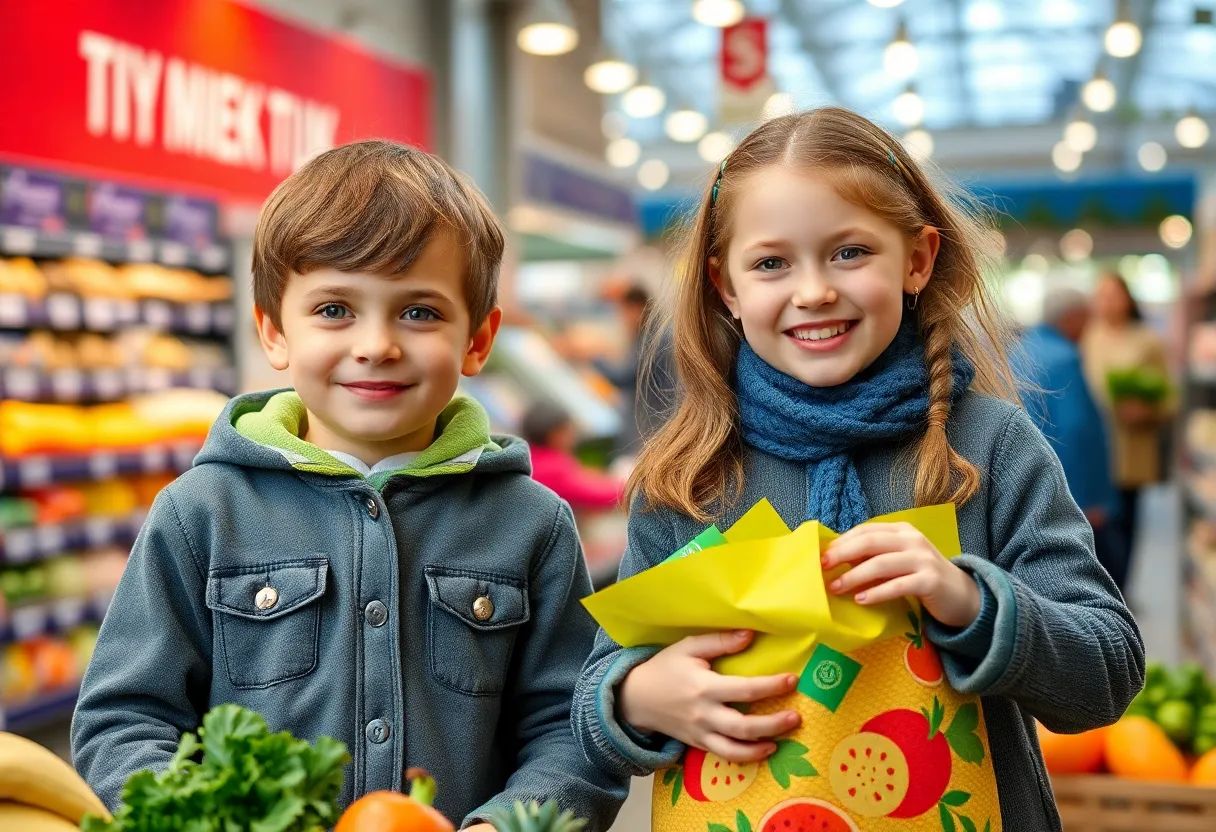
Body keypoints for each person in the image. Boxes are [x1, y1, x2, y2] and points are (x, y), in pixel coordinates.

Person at [571, 107, 1143, 830]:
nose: (813, 290)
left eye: (849, 252)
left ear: (918, 259)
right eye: (772, 263)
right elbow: (592, 695)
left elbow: (1108, 673)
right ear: (726, 287)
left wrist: (970, 601)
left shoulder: (988, 447)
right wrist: (635, 697)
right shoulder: (690, 476)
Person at [71, 142, 624, 830]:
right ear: (274, 332)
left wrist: (506, 822)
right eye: (335, 310)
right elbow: (124, 720)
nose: (376, 345)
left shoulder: (530, 523)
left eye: (419, 313)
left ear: (478, 340)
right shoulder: (201, 514)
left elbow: (570, 725)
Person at [1013, 288, 1124, 588]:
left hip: (1028, 481)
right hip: (1070, 489)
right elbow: (1076, 429)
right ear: (1072, 318)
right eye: (1087, 318)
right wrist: (1091, 500)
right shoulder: (1065, 357)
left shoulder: (1020, 350)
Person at [1081, 270, 1172, 587]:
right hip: (1093, 447)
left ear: (1127, 299)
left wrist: (1146, 410)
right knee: (1093, 526)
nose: (1107, 302)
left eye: (1113, 295)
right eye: (1101, 296)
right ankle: (1097, 590)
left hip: (1132, 446)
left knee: (1126, 524)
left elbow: (1169, 396)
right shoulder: (1087, 337)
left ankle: (1122, 591)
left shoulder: (1147, 340)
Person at [521, 399, 624, 511]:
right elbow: (597, 495)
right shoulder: (552, 468)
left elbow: (582, 476)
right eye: (568, 430)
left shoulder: (531, 455)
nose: (573, 435)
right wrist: (629, 485)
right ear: (555, 434)